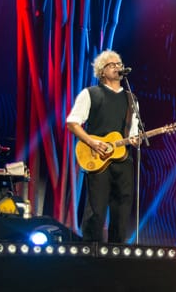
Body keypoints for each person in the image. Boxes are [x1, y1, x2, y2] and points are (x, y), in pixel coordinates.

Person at [66, 50, 139, 243]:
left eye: (119, 64)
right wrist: (92, 142)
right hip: (97, 157)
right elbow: (72, 122)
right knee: (96, 210)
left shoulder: (131, 99)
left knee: (122, 209)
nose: (117, 67)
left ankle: (117, 254)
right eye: (112, 64)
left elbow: (133, 131)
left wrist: (135, 139)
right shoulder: (90, 94)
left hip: (124, 160)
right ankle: (90, 252)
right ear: (102, 71)